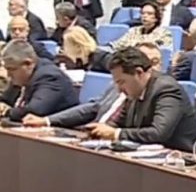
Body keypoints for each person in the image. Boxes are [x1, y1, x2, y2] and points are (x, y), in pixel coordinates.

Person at [85, 47, 196, 151]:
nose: (119, 89)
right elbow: (119, 122)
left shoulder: (167, 89)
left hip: (185, 160)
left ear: (139, 72)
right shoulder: (134, 91)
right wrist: (100, 130)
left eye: (121, 82)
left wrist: (115, 133)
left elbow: (158, 133)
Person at [23, 42, 163, 129]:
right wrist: (47, 120)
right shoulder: (116, 85)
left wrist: (114, 134)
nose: (149, 67)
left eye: (155, 62)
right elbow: (93, 107)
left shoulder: (160, 94)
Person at [0, 40, 78, 121]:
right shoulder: (22, 75)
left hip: (62, 127)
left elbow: (35, 111)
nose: (8, 74)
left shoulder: (50, 77)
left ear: (28, 63)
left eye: (11, 69)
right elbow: (6, 100)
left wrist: (7, 112)